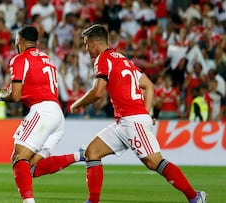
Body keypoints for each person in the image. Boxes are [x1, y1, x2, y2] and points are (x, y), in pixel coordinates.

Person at [70, 24, 207, 203]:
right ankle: (92, 201)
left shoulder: (103, 59)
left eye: (86, 44)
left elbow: (98, 92)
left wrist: (76, 104)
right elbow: (148, 85)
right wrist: (148, 112)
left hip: (133, 120)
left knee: (154, 162)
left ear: (95, 42)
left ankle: (195, 197)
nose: (86, 48)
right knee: (92, 152)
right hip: (124, 122)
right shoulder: (122, 59)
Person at [0, 25, 85, 203]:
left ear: (20, 41)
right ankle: (79, 155)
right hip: (57, 115)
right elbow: (33, 87)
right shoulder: (48, 59)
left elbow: (15, 96)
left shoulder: (19, 59)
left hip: (42, 111)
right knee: (30, 166)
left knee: (18, 157)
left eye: (16, 40)